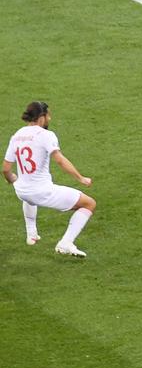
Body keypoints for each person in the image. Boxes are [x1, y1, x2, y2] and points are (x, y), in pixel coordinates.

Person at [2, 101, 96, 257]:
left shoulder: (17, 135)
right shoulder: (46, 135)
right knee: (89, 203)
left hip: (22, 191)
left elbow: (5, 169)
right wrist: (81, 178)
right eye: (48, 115)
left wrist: (12, 179)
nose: (50, 119)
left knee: (29, 196)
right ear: (41, 117)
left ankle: (31, 232)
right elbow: (59, 160)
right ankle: (66, 243)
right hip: (42, 192)